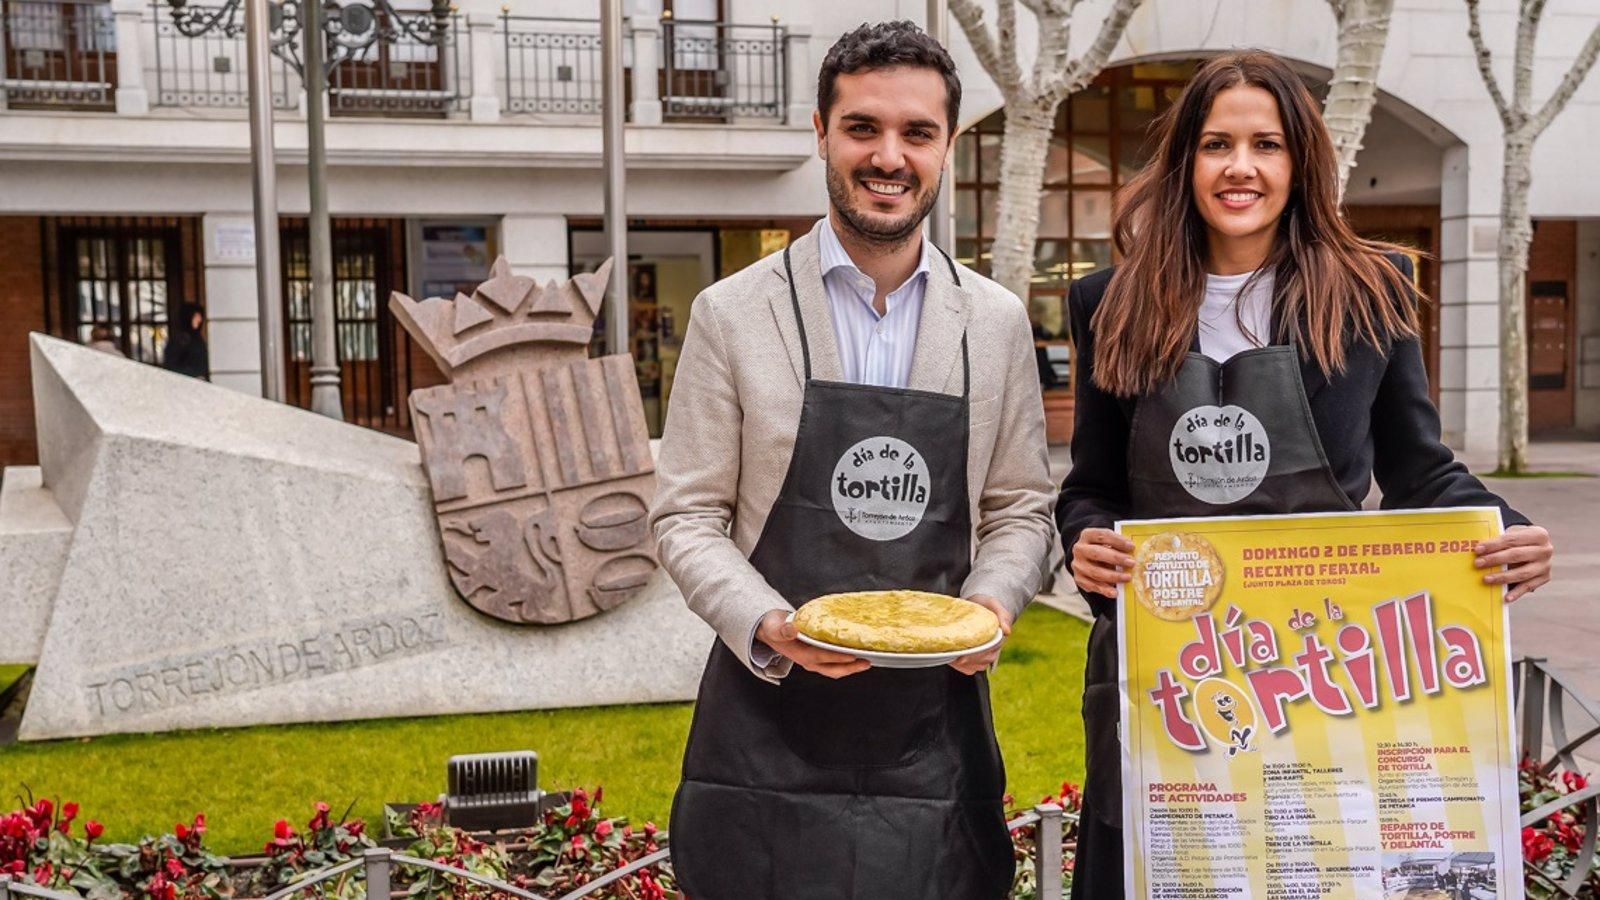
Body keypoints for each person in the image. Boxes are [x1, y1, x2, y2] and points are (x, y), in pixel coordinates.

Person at [1054, 51, 1555, 899]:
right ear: (1185, 162)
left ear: (1301, 163)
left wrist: (1503, 530)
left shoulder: (1371, 290)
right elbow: (1092, 485)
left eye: (1267, 144)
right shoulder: (1109, 302)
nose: (1240, 167)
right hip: (1169, 676)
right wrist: (1085, 541)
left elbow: (1417, 470)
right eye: (1216, 144)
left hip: (1322, 674)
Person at [650, 21, 1057, 900]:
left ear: (947, 145)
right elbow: (685, 515)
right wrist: (768, 623)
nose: (889, 156)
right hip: (766, 728)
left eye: (917, 133)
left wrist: (992, 603)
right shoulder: (732, 314)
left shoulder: (992, 322)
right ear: (821, 133)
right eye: (863, 127)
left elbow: (1023, 507)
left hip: (932, 739)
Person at [162, 303, 209, 380]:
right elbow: (171, 367)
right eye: (196, 316)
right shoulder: (179, 339)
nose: (200, 320)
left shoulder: (197, 338)